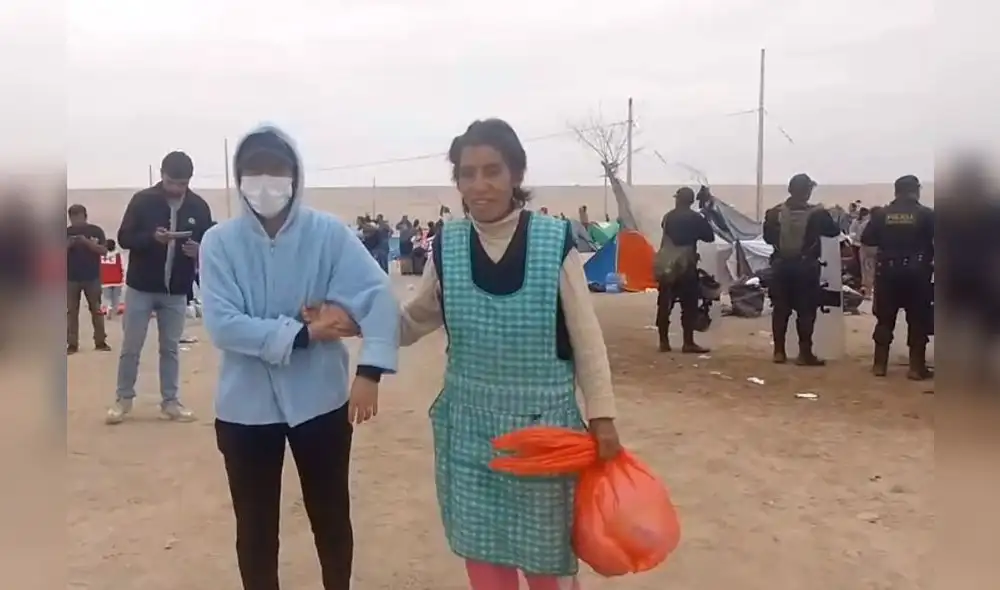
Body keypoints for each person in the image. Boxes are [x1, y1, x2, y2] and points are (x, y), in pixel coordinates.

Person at [398, 118, 621, 590]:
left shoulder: (553, 242)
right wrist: (351, 319)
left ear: (516, 174)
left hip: (544, 437)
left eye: (492, 171)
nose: (479, 185)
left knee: (546, 562)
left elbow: (586, 336)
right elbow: (414, 319)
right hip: (468, 433)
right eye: (467, 173)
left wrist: (602, 417)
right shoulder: (447, 246)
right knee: (484, 556)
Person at [200, 125, 399, 590]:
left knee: (331, 516)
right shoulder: (219, 243)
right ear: (238, 177)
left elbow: (376, 295)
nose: (265, 182)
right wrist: (305, 333)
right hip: (245, 409)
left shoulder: (328, 234)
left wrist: (369, 369)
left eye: (276, 169)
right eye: (253, 171)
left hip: (321, 401)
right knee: (255, 527)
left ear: (295, 174)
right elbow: (224, 324)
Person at [107, 150, 214, 423]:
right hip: (141, 287)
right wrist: (151, 238)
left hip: (176, 290)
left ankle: (171, 402)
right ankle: (123, 400)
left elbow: (210, 241)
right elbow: (124, 238)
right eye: (171, 182)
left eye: (182, 183)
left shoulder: (198, 207)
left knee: (170, 348)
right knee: (131, 346)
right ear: (162, 175)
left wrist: (199, 250)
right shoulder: (142, 201)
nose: (176, 188)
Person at [762, 173, 840, 366]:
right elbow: (833, 231)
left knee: (780, 309)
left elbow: (768, 238)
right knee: (806, 311)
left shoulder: (773, 213)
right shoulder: (818, 214)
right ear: (808, 191)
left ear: (790, 190)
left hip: (780, 267)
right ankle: (804, 354)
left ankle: (779, 352)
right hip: (806, 268)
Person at [861, 175, 934, 379]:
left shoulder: (881, 214)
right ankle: (916, 368)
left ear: (896, 191)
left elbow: (867, 241)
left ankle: (879, 365)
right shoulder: (926, 214)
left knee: (884, 319)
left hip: (887, 273)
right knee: (917, 320)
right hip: (917, 275)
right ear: (915, 191)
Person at [653, 187, 715, 353]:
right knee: (688, 306)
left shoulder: (668, 217)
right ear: (691, 201)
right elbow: (709, 237)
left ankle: (664, 342)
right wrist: (706, 216)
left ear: (677, 199)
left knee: (664, 304)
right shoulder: (696, 218)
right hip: (687, 267)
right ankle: (688, 343)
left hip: (668, 267)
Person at [67, 204, 110, 353]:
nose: (76, 221)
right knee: (71, 312)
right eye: (73, 218)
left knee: (96, 309)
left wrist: (86, 242)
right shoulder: (65, 232)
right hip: (70, 278)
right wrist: (69, 244)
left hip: (92, 277)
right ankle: (72, 344)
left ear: (85, 216)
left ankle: (100, 341)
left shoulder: (95, 231)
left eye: (78, 217)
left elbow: (104, 251)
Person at [100, 238, 125, 318]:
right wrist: (123, 278)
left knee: (107, 297)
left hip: (105, 280)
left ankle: (109, 307)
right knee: (116, 297)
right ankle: (114, 310)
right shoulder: (119, 255)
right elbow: (122, 266)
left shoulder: (100, 255)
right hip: (117, 280)